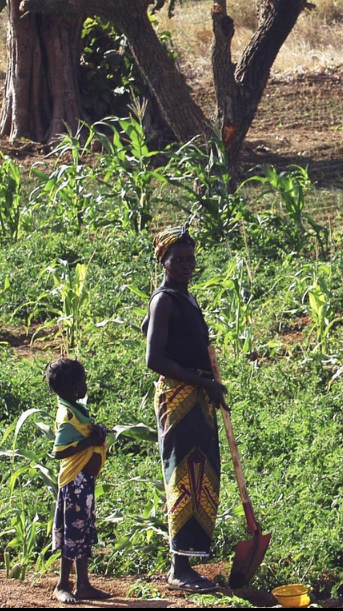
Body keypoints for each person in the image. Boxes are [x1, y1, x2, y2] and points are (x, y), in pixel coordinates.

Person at [142, 226, 228, 592]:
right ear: (163, 260)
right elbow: (153, 358)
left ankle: (190, 561)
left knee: (202, 476)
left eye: (190, 259)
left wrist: (209, 386)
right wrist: (204, 383)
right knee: (184, 476)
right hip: (179, 398)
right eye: (177, 259)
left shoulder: (186, 299)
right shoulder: (164, 299)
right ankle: (179, 568)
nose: (185, 265)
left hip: (198, 398)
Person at [46, 357, 111, 605]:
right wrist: (90, 443)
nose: (86, 384)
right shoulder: (67, 414)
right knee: (72, 535)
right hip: (74, 482)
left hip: (84, 483)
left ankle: (83, 585)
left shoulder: (75, 410)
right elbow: (59, 451)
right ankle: (63, 584)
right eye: (83, 380)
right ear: (74, 386)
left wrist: (97, 432)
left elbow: (81, 434)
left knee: (82, 533)